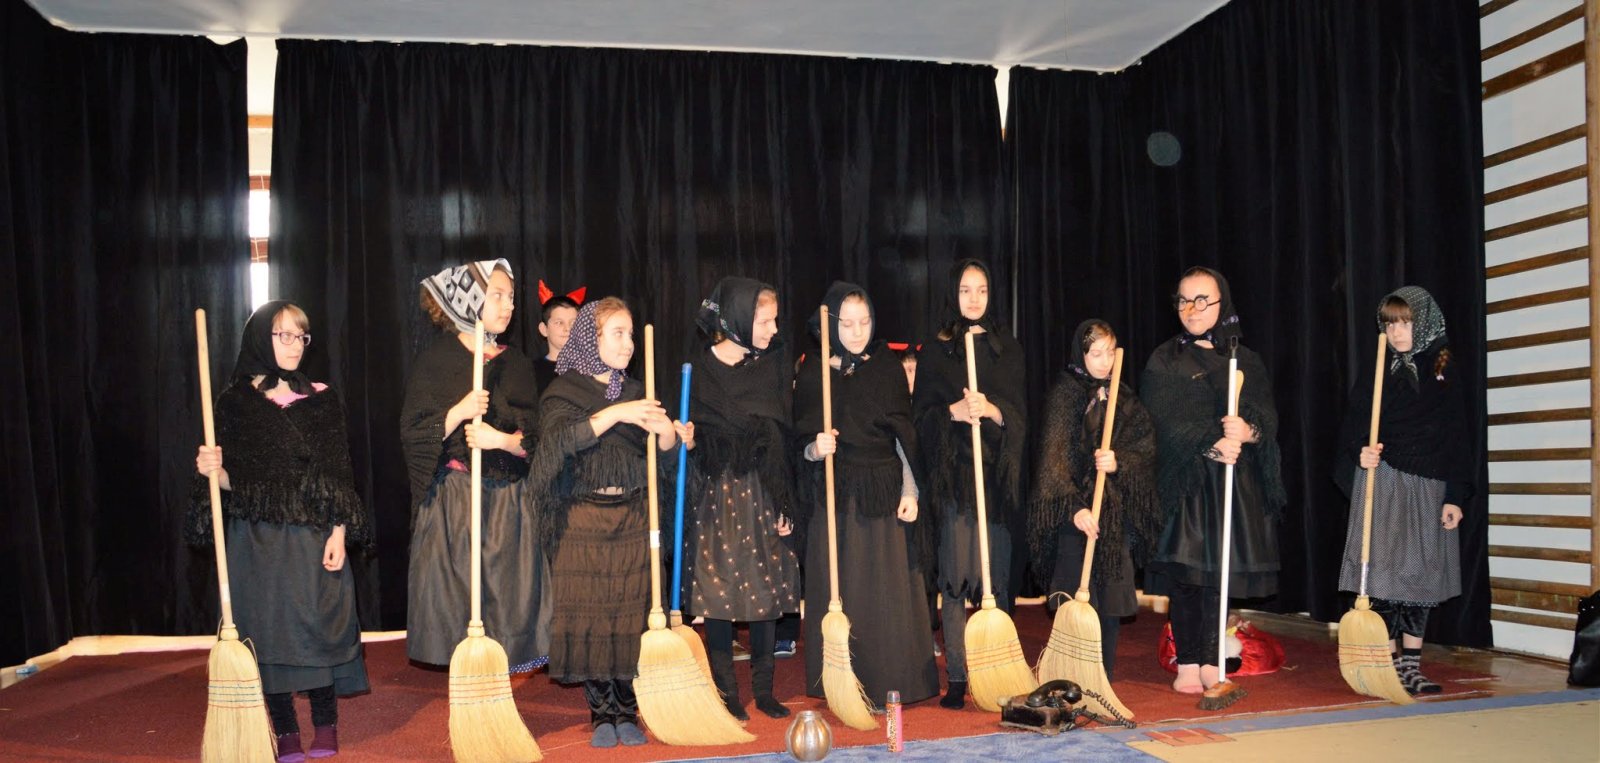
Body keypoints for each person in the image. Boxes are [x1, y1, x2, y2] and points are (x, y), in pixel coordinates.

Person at [189, 300, 371, 762]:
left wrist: (338, 532)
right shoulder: (234, 404)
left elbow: (338, 473)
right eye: (283, 335)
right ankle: (286, 729)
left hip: (313, 533)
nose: (295, 345)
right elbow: (238, 483)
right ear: (259, 340)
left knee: (319, 626)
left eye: (301, 336)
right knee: (266, 633)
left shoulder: (321, 398)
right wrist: (213, 471)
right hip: (258, 539)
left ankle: (325, 722)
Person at [528, 297, 679, 748]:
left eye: (630, 334)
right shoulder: (563, 392)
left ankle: (626, 710)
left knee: (630, 614)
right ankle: (601, 714)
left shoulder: (637, 391)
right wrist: (615, 414)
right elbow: (556, 446)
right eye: (618, 333)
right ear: (590, 339)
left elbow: (665, 460)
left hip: (633, 514)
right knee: (594, 617)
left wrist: (668, 435)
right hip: (584, 517)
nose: (628, 343)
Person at [1141, 266, 1285, 694]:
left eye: (1202, 300)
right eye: (1184, 300)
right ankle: (1187, 660)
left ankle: (1210, 658)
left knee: (1218, 577)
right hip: (1186, 481)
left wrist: (1248, 431)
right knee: (1187, 576)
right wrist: (1210, 443)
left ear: (1222, 303)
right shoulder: (1165, 359)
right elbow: (1160, 420)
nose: (1192, 308)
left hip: (1232, 484)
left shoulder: (1244, 359)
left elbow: (1266, 416)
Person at [794, 281, 939, 707]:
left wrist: (910, 491)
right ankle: (842, 679)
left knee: (885, 592)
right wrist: (814, 447)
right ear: (830, 325)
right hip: (835, 498)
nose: (858, 332)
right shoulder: (814, 371)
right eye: (847, 324)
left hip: (882, 496)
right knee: (843, 587)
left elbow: (903, 436)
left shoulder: (886, 367)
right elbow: (796, 441)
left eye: (865, 322)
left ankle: (893, 678)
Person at [400, 260, 547, 673]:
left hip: (508, 500)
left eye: (511, 297)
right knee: (458, 591)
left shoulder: (516, 363)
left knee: (507, 591)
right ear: (469, 299)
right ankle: (467, 673)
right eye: (497, 296)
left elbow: (537, 441)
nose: (509, 306)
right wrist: (459, 411)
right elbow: (414, 433)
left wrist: (501, 440)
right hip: (456, 499)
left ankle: (504, 669)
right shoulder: (438, 360)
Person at [1334, 286, 1470, 695]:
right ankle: (1389, 664)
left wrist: (1455, 495)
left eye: (1405, 323)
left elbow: (1458, 435)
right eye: (1390, 324)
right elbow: (1353, 427)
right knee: (1384, 577)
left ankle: (1412, 664)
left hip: (1428, 484)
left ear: (1423, 323)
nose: (1396, 332)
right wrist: (1361, 453)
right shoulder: (1379, 369)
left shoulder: (1443, 368)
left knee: (1418, 578)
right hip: (1385, 481)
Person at [679, 277, 801, 720]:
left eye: (775, 320)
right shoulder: (699, 371)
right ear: (737, 321)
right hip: (716, 494)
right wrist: (689, 441)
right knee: (718, 591)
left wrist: (785, 502)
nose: (774, 330)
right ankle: (727, 691)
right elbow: (691, 439)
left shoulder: (772, 365)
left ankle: (764, 691)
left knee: (765, 586)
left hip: (763, 489)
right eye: (765, 321)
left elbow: (783, 437)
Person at [910, 259, 1028, 709]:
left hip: (995, 480)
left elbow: (1021, 417)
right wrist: (953, 413)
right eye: (965, 290)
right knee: (956, 577)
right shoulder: (936, 352)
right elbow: (920, 419)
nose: (974, 298)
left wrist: (993, 410)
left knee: (996, 578)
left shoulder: (1007, 349)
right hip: (954, 479)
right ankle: (958, 676)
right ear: (953, 294)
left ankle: (996, 667)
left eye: (981, 290)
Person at [1028, 319, 1161, 681]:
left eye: (1110, 353)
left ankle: (1103, 676)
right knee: (1074, 598)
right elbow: (1053, 458)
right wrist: (1075, 508)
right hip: (1076, 514)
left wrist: (1118, 462)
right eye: (1096, 353)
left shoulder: (1125, 399)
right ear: (1081, 354)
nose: (1104, 362)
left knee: (1109, 601)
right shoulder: (1066, 394)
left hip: (1112, 515)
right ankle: (1071, 676)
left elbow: (1145, 449)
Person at [534, 282, 582, 391]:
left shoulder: (591, 369)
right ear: (544, 329)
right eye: (559, 323)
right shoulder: (531, 372)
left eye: (573, 323)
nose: (567, 328)